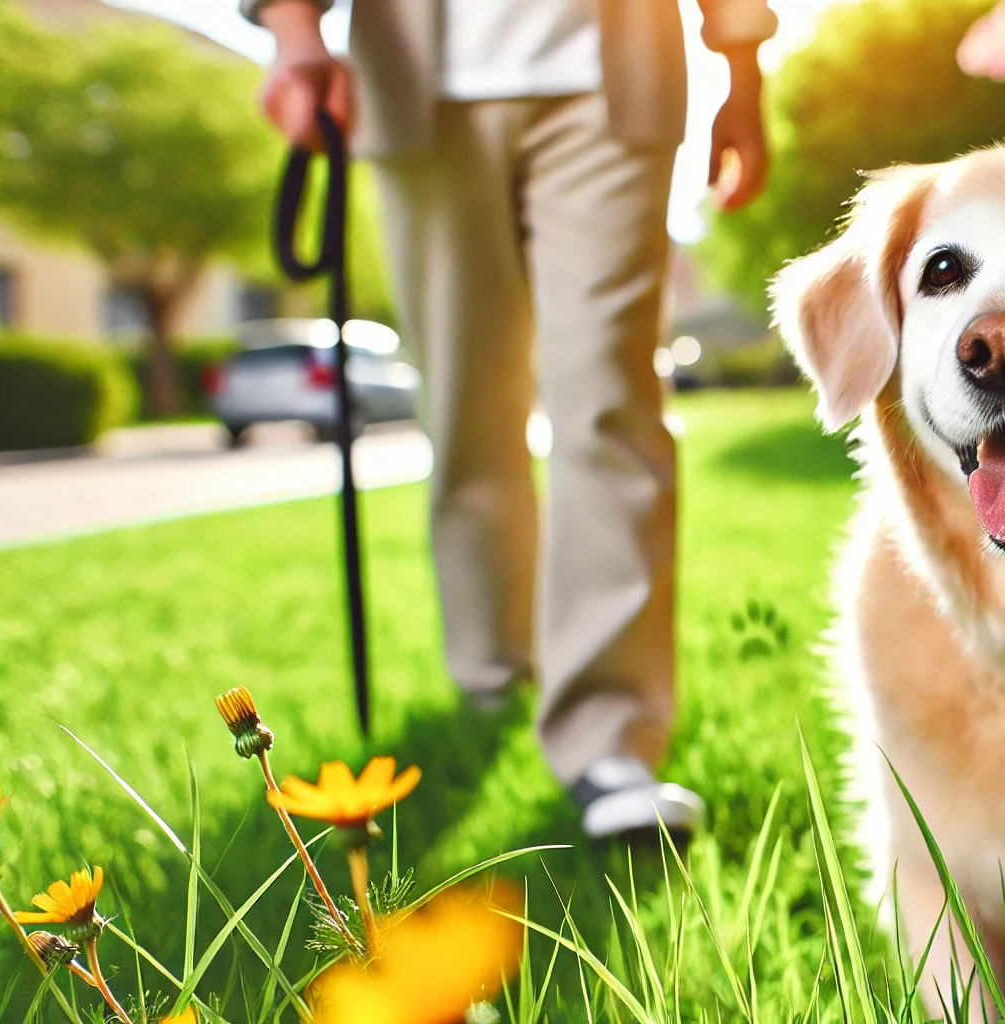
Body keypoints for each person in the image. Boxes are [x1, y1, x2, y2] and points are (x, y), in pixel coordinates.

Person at [245, 0, 774, 840]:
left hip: (611, 80)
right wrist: (294, 32)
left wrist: (741, 62)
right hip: (416, 83)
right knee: (464, 407)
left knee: (609, 396)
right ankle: (492, 681)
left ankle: (608, 738)